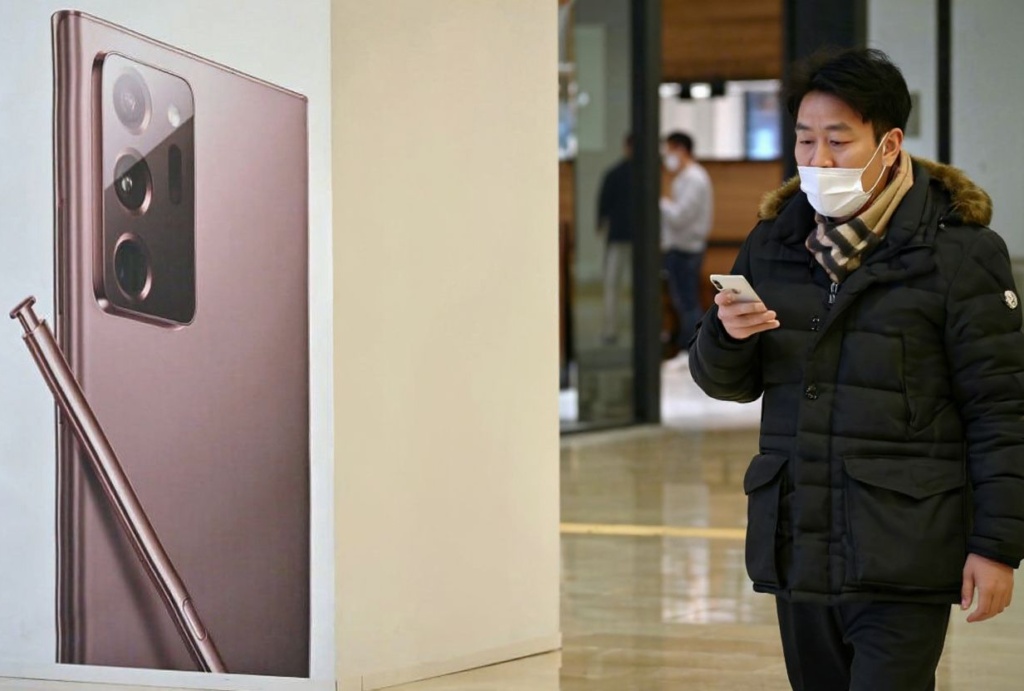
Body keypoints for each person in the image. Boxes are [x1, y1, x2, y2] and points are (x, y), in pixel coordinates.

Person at [689, 47, 1024, 691]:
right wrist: (725, 336)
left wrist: (996, 546)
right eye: (805, 140)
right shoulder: (775, 242)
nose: (817, 160)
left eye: (838, 141)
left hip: (905, 546)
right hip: (801, 541)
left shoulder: (960, 254)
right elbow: (725, 382)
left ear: (889, 144)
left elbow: (1001, 410)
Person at [660, 131, 713, 355]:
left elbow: (680, 216)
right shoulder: (685, 177)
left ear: (681, 150)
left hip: (686, 249)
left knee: (687, 302)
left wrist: (659, 201)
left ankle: (692, 350)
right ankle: (688, 348)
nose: (667, 156)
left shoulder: (694, 178)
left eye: (669, 150)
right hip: (679, 248)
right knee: (682, 301)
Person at [596, 134, 633, 344]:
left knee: (612, 285)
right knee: (614, 284)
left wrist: (600, 224)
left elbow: (603, 205)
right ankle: (612, 329)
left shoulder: (615, 173)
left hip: (621, 236)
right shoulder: (639, 174)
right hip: (629, 237)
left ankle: (611, 330)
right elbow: (603, 204)